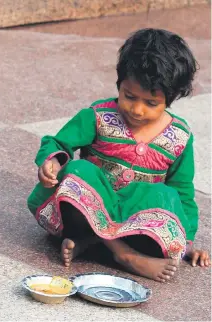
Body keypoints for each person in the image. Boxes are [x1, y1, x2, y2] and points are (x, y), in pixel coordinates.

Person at [27, 28, 210, 283]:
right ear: (119, 83)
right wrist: (53, 162)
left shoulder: (179, 138)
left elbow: (182, 191)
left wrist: (187, 241)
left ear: (170, 99)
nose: (136, 109)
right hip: (87, 212)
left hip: (134, 221)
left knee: (166, 197)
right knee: (77, 171)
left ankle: (91, 243)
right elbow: (58, 142)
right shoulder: (99, 116)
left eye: (150, 103)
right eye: (129, 96)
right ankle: (122, 254)